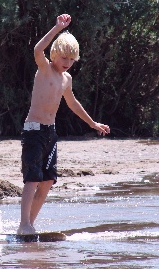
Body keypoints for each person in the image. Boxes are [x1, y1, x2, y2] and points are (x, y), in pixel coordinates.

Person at [17, 14, 110, 235]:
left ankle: (30, 224)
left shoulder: (66, 80)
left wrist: (93, 123)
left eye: (71, 59)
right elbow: (38, 50)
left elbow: (73, 103)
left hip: (50, 133)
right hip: (33, 131)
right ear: (55, 55)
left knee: (48, 181)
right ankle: (24, 225)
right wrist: (57, 28)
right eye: (64, 58)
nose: (67, 63)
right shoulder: (45, 68)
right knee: (32, 179)